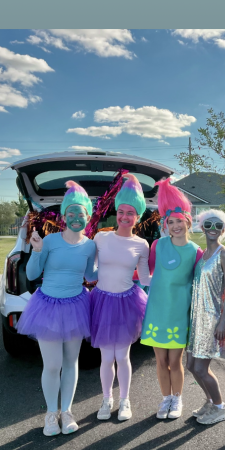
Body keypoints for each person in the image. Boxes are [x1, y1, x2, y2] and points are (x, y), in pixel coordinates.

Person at [18, 180, 97, 436]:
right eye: (70, 213)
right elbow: (32, 274)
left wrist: (115, 265)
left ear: (88, 217)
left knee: (71, 362)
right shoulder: (50, 241)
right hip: (48, 306)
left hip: (76, 305)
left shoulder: (90, 245)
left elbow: (90, 275)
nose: (75, 218)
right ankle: (51, 414)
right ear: (63, 217)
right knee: (52, 365)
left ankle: (67, 411)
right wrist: (37, 250)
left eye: (81, 214)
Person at [90, 174, 150, 424]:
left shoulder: (142, 244)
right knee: (106, 357)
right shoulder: (101, 237)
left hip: (127, 303)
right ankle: (107, 399)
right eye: (122, 211)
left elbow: (145, 279)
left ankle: (125, 400)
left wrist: (175, 278)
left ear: (138, 216)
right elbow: (89, 270)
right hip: (102, 303)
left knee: (123, 356)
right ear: (117, 212)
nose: (125, 217)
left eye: (131, 213)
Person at [140, 179, 202, 420]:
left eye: (180, 221)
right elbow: (147, 272)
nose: (176, 226)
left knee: (175, 361)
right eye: (171, 222)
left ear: (188, 221)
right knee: (160, 360)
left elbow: (199, 284)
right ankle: (165, 398)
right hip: (157, 312)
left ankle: (177, 398)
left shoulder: (195, 251)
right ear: (166, 224)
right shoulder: (157, 245)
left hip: (178, 313)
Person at [186, 209, 225, 425]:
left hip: (211, 318)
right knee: (190, 365)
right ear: (202, 227)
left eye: (218, 225)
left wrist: (223, 320)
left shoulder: (223, 255)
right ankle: (210, 401)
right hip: (197, 318)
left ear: (223, 230)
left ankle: (220, 408)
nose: (213, 229)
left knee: (200, 368)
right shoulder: (203, 254)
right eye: (208, 225)